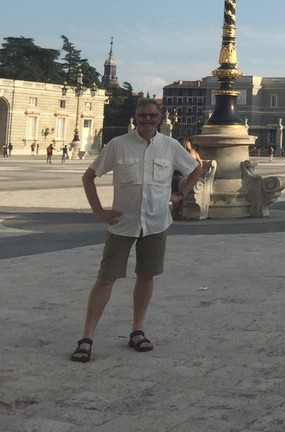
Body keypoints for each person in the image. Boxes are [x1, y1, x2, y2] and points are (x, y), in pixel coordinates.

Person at [70, 99, 202, 363]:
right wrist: (99, 211)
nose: (147, 119)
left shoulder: (170, 146)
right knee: (106, 278)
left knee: (146, 276)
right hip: (123, 223)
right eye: (142, 115)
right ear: (135, 117)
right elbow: (88, 177)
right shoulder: (118, 145)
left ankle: (137, 330)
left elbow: (197, 167)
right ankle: (87, 337)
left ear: (160, 118)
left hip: (155, 222)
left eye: (152, 115)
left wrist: (180, 193)